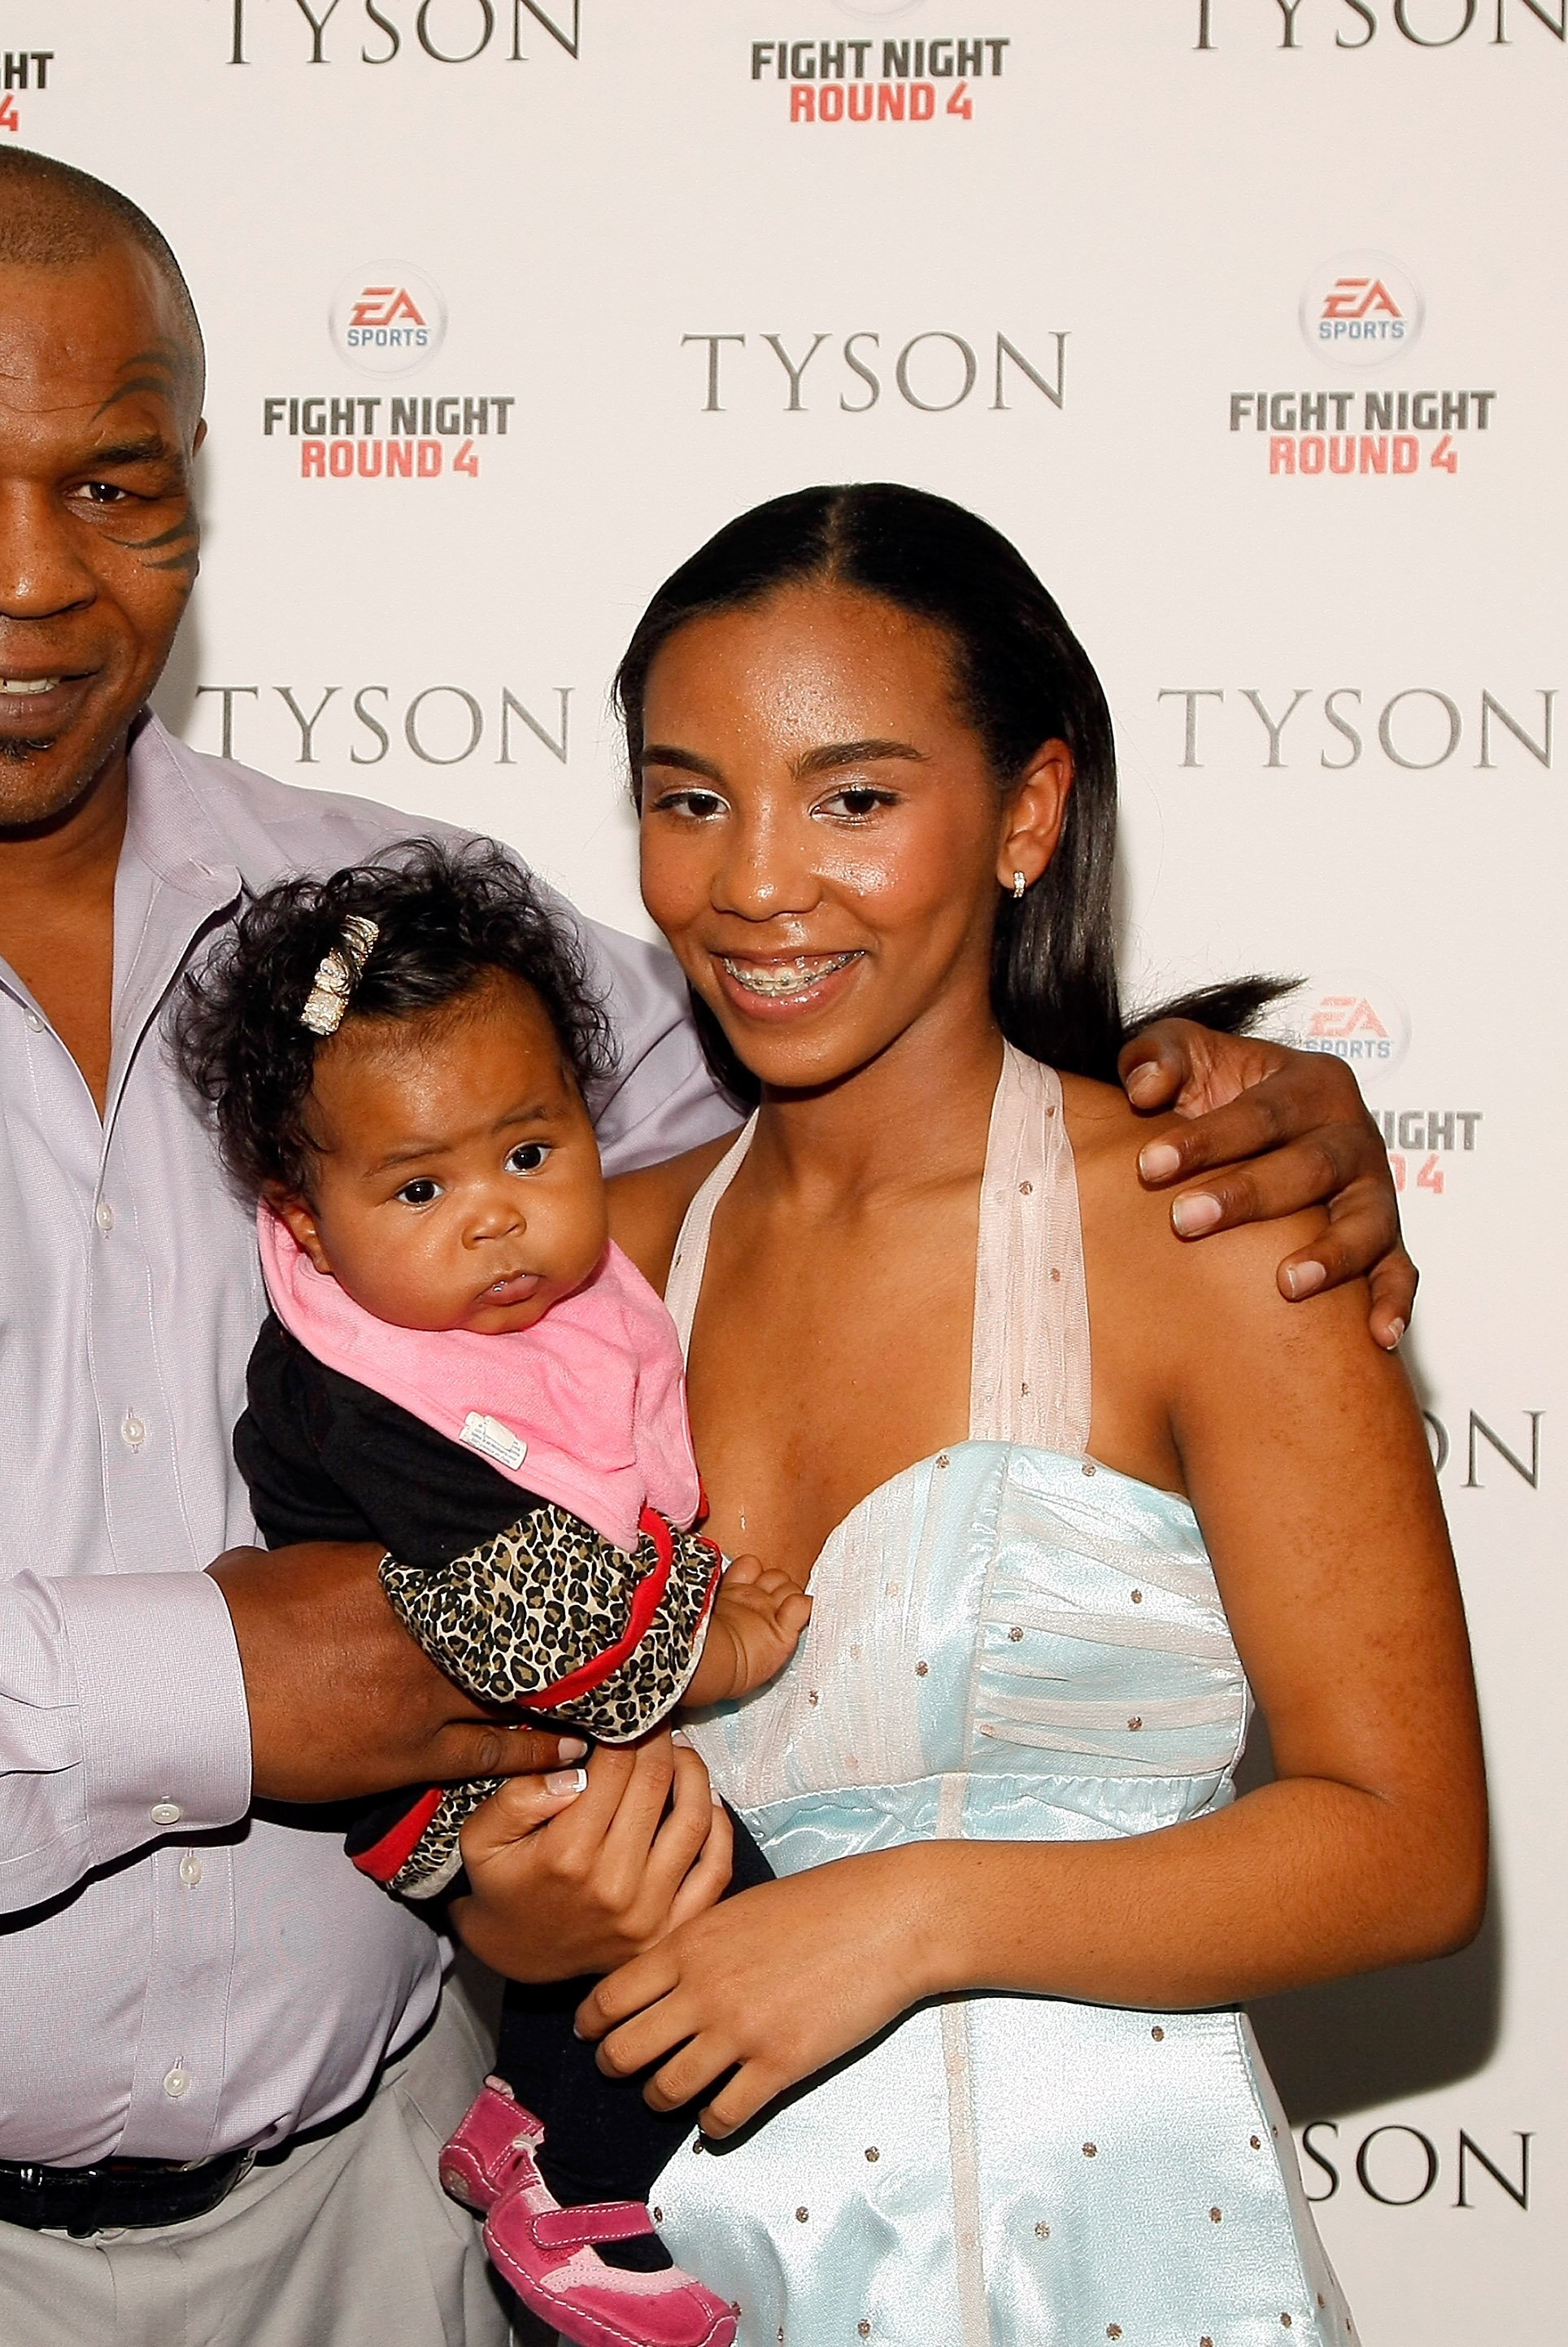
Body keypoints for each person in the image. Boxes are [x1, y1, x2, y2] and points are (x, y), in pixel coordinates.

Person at [0, 138, 1411, 2347]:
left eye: (113, 485)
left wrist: (1188, 1101)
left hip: (371, 2231)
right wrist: (227, 1676)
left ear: (197, 490)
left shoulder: (392, 930)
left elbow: (831, 1096)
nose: (27, 572)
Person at [453, 484, 1485, 2347]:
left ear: (1027, 812)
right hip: (696, 2279)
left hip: (1114, 2274)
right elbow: (496, 1826)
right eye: (690, 798)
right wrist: (518, 1913)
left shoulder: (1212, 1228)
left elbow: (1406, 1847)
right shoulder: (587, 1275)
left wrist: (905, 1916)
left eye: (852, 796)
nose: (756, 879)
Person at [172, 836, 805, 2347]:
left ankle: (522, 2113)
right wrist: (710, 1645)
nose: (497, 1216)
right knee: (713, 1893)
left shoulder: (536, 1308)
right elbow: (524, 1609)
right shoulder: (364, 1387)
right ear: (307, 1224)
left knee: (649, 1868)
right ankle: (575, 2195)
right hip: (428, 1763)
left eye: (532, 1153)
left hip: (528, 1722)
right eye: (421, 1185)